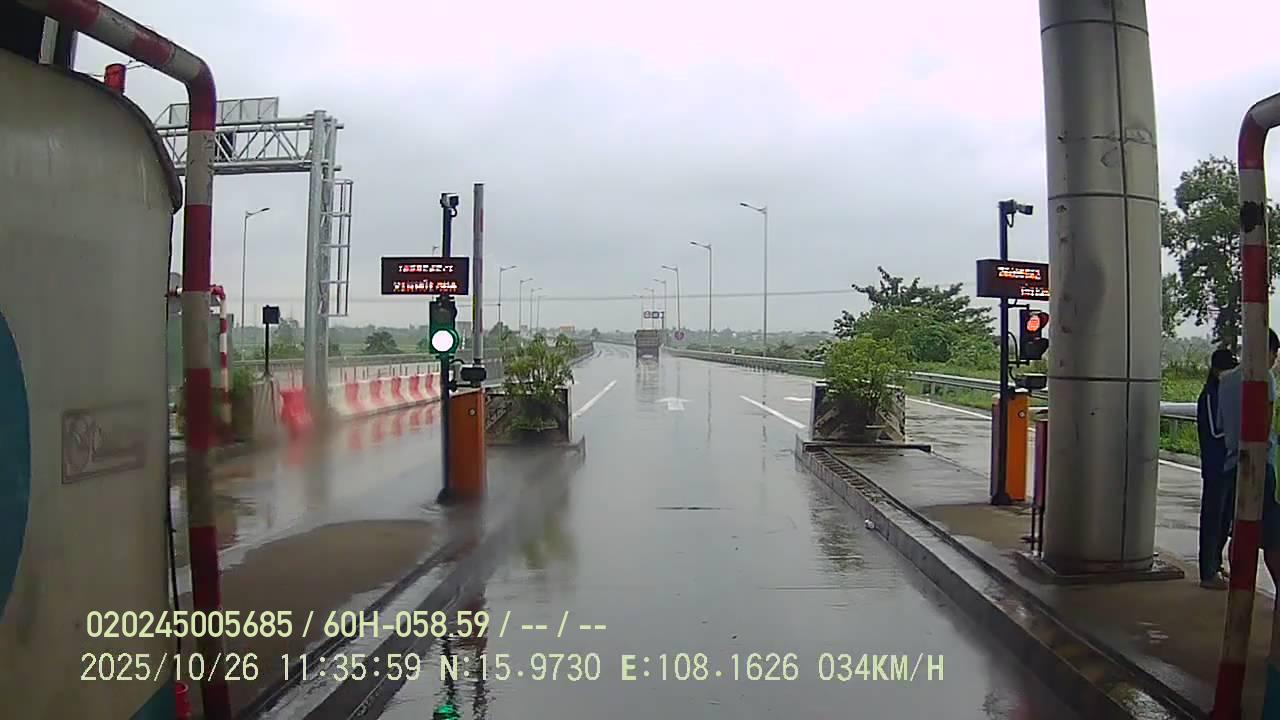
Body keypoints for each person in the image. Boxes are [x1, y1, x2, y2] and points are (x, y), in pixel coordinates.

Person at [1215, 329, 1280, 591]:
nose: (1274, 360)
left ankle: (1240, 589)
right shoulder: (1264, 378)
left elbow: (1222, 425)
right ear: (1267, 351)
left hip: (1233, 465)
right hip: (1261, 466)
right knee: (1274, 538)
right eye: (1274, 354)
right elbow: (1264, 426)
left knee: (1240, 531)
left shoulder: (1226, 381)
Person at [1197, 347, 1238, 588]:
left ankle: (1216, 563)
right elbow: (1215, 429)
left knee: (1224, 520)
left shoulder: (1225, 392)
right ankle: (1208, 571)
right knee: (1213, 519)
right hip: (1216, 466)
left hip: (1228, 465)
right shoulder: (1211, 394)